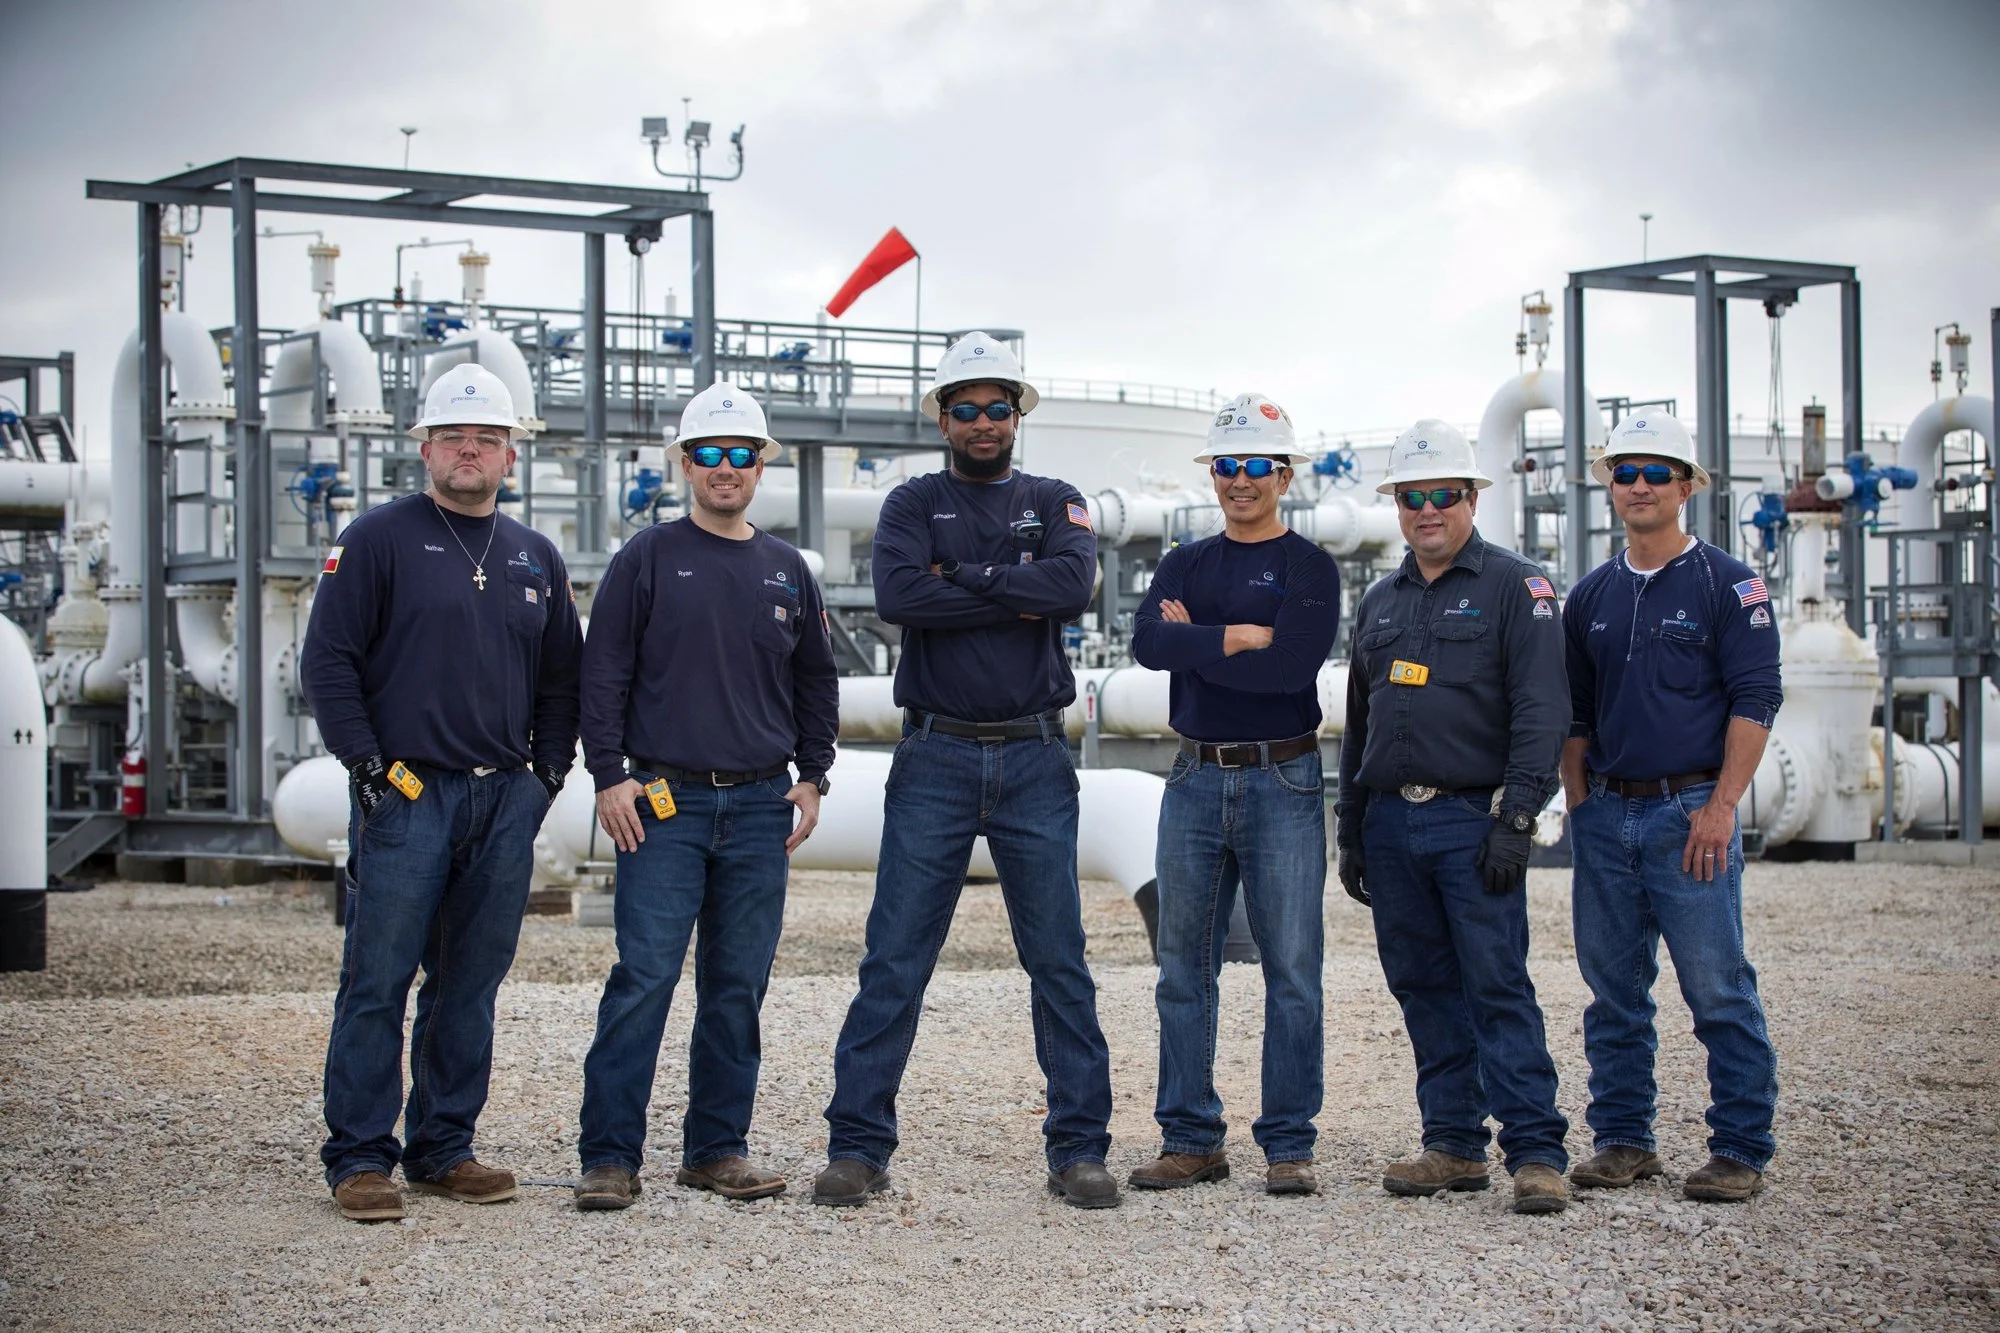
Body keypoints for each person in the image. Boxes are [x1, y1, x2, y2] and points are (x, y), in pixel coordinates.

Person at [816, 333, 1119, 1209]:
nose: (982, 422)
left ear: (1016, 414)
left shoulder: (1056, 497)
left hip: (1033, 754)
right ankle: (858, 1146)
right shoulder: (913, 500)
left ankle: (1079, 1150)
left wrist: (970, 575)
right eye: (965, 408)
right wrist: (1012, 584)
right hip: (935, 754)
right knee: (896, 957)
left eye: (997, 407)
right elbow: (902, 599)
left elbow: (1070, 589)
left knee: (1059, 956)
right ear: (942, 419)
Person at [302, 365, 582, 1223]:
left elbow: (563, 681)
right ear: (425, 447)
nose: (471, 450)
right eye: (455, 437)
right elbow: (329, 662)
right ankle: (358, 1158)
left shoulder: (536, 555)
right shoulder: (377, 539)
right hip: (409, 792)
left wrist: (544, 778)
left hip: (504, 800)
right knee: (378, 978)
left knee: (469, 982)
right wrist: (371, 768)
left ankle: (443, 1147)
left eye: (488, 439)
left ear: (510, 455)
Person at [571, 383, 840, 1211]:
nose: (725, 469)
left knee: (736, 984)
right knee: (644, 976)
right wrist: (608, 773)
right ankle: (611, 1156)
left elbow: (815, 680)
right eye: (709, 454)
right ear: (685, 463)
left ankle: (715, 1149)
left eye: (740, 454)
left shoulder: (788, 569)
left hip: (760, 806)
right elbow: (603, 670)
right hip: (663, 801)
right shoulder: (647, 557)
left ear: (761, 465)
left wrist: (813, 772)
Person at [1334, 419, 1572, 1216]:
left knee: (1497, 982)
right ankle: (1454, 1144)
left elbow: (1543, 709)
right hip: (1393, 828)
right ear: (1397, 504)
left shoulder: (1516, 587)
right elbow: (1361, 722)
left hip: (1473, 821)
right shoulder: (1379, 599)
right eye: (1412, 496)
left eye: (1443, 494)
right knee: (1423, 985)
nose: (1427, 509)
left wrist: (1517, 816)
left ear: (1472, 497)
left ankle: (1536, 1151)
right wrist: (1352, 826)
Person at [1560, 411, 1783, 1203]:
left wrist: (1722, 805)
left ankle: (1740, 1146)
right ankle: (1623, 1139)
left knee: (1717, 984)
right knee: (1614, 989)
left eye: (1658, 472)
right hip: (1609, 814)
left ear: (1689, 485)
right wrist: (1581, 803)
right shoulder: (1590, 594)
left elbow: (1758, 698)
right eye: (1626, 472)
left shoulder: (1730, 584)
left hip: (1691, 811)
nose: (1641, 486)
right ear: (1608, 485)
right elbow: (1575, 713)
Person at [1128, 393, 1338, 1197]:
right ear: (1212, 474)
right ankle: (1191, 1138)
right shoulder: (1184, 560)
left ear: (1283, 474)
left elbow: (1288, 670)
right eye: (1227, 465)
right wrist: (1237, 636)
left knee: (1291, 966)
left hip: (1283, 775)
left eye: (1256, 466)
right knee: (1183, 965)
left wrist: (1195, 643)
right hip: (1193, 776)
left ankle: (1288, 1144)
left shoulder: (1308, 566)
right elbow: (1149, 644)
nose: (1240, 480)